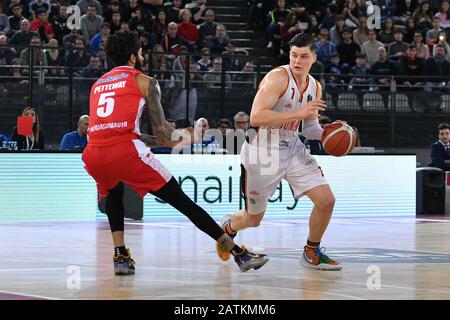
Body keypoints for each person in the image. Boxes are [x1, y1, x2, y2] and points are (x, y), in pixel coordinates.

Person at [81, 31, 268, 275]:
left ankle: (120, 256)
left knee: (114, 192)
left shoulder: (97, 85)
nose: (141, 56)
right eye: (139, 52)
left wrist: (161, 141)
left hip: (93, 154)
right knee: (184, 203)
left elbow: (116, 132)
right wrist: (184, 137)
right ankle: (238, 253)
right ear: (133, 57)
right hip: (125, 152)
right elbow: (162, 132)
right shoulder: (144, 81)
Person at [216, 33, 343, 270]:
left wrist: (328, 134)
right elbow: (256, 117)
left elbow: (311, 127)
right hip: (262, 151)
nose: (297, 61)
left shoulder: (315, 86)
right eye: (294, 55)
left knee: (326, 201)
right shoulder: (276, 78)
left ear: (314, 57)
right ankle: (229, 226)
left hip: (292, 147)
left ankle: (311, 251)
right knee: (253, 219)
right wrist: (299, 114)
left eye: (304, 56)